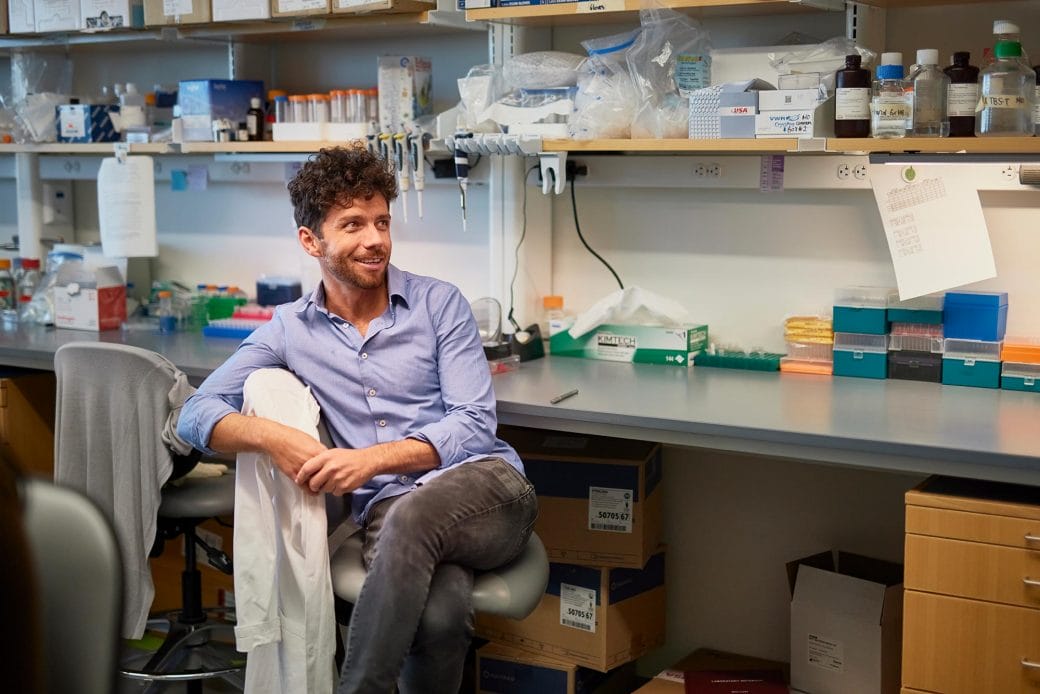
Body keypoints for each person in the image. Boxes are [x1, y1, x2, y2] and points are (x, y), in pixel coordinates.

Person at [177, 145, 537, 694]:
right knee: (439, 617)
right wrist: (272, 438)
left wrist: (369, 460)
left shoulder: (439, 304)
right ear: (310, 241)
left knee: (412, 518)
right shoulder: (290, 329)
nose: (375, 239)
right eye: (352, 224)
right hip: (392, 513)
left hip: (486, 489)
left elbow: (473, 425)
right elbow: (193, 413)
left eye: (381, 221)